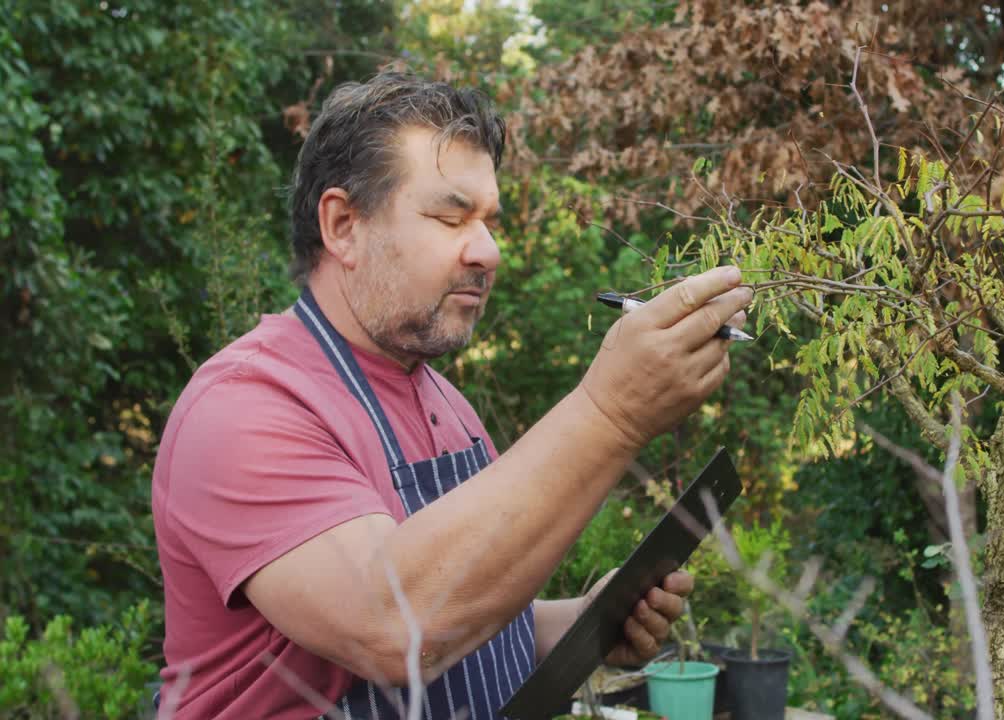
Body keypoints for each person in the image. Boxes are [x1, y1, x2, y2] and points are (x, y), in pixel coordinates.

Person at [150, 70, 752, 719]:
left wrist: (587, 622)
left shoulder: (447, 405)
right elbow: (392, 628)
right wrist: (613, 413)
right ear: (343, 225)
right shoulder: (245, 407)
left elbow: (470, 634)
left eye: (489, 221)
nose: (488, 251)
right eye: (450, 216)